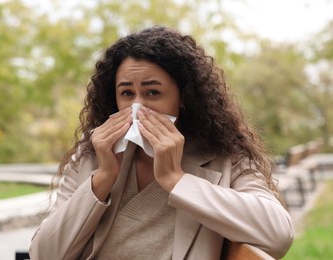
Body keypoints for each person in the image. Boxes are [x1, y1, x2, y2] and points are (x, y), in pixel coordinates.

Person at [29, 26, 294, 260]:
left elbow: (278, 235)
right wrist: (103, 178)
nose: (137, 107)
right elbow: (44, 254)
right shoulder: (92, 156)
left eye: (152, 92)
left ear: (183, 97)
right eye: (126, 93)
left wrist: (175, 179)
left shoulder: (225, 158)